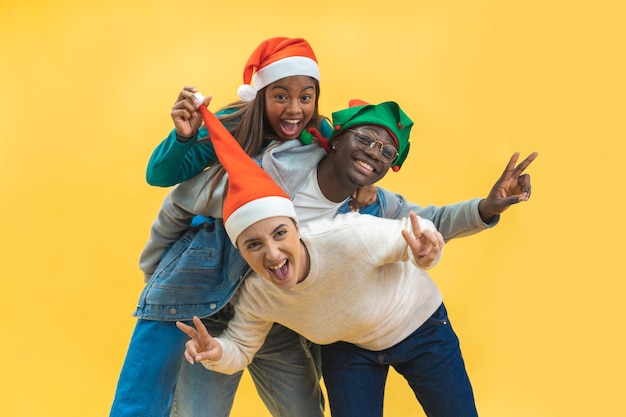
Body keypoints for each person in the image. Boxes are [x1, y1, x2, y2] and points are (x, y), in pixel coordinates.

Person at [113, 36, 538, 416]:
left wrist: (486, 207)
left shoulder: (364, 212)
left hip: (280, 314)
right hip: (220, 305)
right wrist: (153, 272)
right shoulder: (269, 170)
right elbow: (178, 200)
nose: (373, 155)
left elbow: (427, 225)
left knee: (303, 406)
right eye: (365, 143)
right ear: (336, 140)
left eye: (385, 153)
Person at [175, 101, 468, 416]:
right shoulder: (259, 295)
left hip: (419, 326)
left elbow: (415, 232)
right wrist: (217, 351)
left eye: (279, 234)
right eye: (254, 245)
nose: (272, 255)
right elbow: (242, 347)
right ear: (242, 253)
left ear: (297, 227)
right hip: (349, 348)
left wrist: (426, 252)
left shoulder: (348, 237)